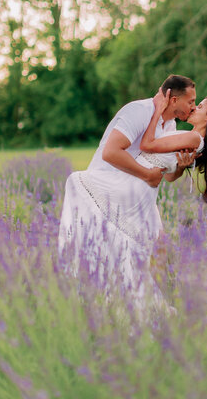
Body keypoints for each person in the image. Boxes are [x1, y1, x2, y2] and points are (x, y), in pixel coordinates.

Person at [58, 75, 197, 302]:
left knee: (158, 249)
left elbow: (166, 176)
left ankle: (156, 301)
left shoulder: (170, 125)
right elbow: (111, 153)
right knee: (113, 256)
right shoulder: (138, 111)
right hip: (108, 192)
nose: (192, 107)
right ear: (172, 99)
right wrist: (148, 176)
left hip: (139, 197)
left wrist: (180, 168)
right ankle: (109, 304)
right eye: (190, 102)